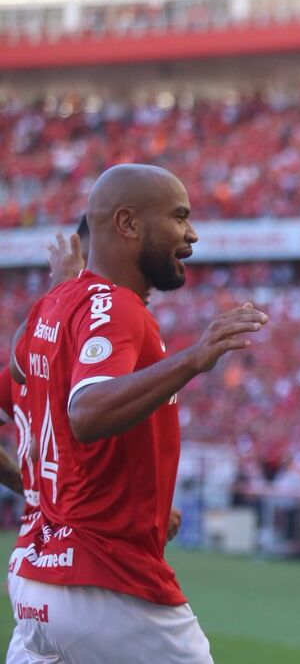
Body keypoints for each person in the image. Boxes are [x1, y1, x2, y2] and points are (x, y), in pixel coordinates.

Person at [8, 164, 269, 664]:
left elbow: (21, 365)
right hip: (103, 580)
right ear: (127, 224)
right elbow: (85, 412)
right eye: (178, 217)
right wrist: (194, 358)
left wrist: (60, 292)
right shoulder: (120, 307)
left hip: (37, 575)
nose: (191, 234)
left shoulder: (60, 301)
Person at [3, 217, 90, 664]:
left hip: (34, 560)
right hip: (81, 567)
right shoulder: (82, 357)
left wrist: (30, 483)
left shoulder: (41, 356)